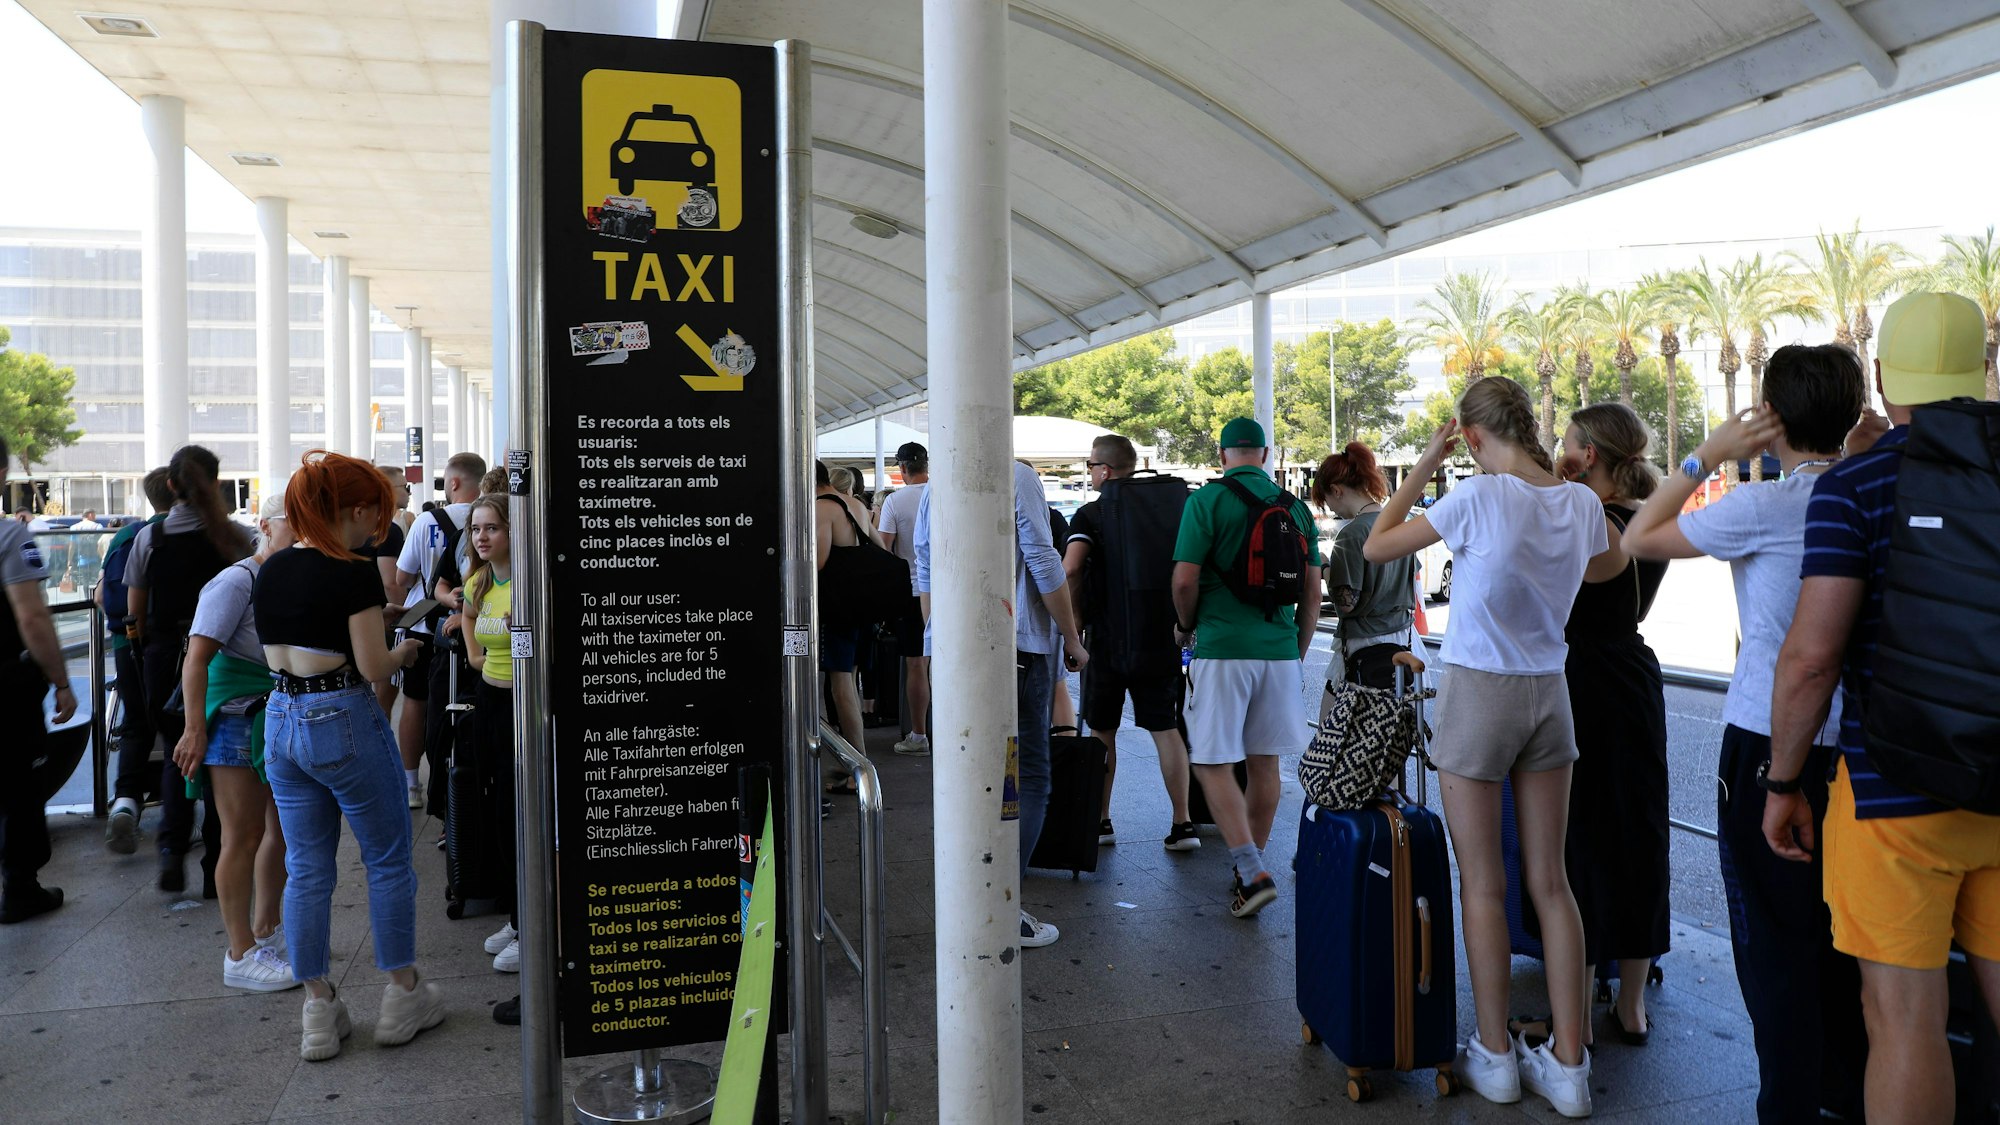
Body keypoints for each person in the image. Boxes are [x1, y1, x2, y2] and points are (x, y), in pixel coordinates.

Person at [1766, 292, 2000, 1124]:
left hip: (1896, 795)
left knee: (1903, 1021)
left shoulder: (1857, 486)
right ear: (1982, 365)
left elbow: (1811, 657)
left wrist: (1782, 780)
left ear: (1881, 376)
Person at [1623, 344, 1868, 1123]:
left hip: (1768, 739)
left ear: (1773, 418)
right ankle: (1849, 1096)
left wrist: (1707, 454)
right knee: (1849, 940)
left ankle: (1789, 1107)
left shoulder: (1764, 506)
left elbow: (1639, 537)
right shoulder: (1867, 491)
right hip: (1858, 743)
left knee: (1774, 946)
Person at [1363, 379, 1604, 1117]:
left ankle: (1495, 1053)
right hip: (1549, 694)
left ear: (1468, 436)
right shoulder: (1582, 503)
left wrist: (1421, 466)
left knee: (1484, 884)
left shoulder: (1475, 498)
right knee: (1550, 880)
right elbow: (1608, 567)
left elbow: (1377, 545)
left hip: (1479, 691)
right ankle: (1569, 1064)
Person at [255, 450, 441, 1061]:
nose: (378, 529)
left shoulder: (274, 566)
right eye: (375, 517)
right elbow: (372, 665)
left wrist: (364, 622)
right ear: (356, 509)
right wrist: (406, 650)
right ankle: (402, 995)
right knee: (387, 859)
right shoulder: (354, 568)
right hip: (340, 716)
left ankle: (318, 1008)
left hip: (279, 719)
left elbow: (303, 632)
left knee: (307, 867)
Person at [912, 459, 1089, 947]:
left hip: (954, 648)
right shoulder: (1016, 475)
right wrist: (1072, 639)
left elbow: (923, 560)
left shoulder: (939, 482)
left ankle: (970, 899)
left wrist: (935, 635)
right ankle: (1001, 906)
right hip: (1017, 650)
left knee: (971, 777)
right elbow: (1043, 557)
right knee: (1027, 775)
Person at [1553, 402, 1671, 1046]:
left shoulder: (1585, 517)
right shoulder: (1648, 515)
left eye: (1567, 442)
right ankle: (1632, 1004)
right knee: (1640, 831)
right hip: (1634, 673)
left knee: (1581, 837)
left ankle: (1576, 1013)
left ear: (1589, 454)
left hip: (1580, 677)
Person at [1169, 418, 1322, 918]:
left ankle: (1252, 868)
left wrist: (1186, 624)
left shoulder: (1205, 502)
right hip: (1278, 652)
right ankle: (1247, 872)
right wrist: (1294, 651)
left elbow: (1184, 580)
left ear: (1222, 455)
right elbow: (1311, 592)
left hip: (1222, 648)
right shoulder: (1296, 508)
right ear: (1265, 454)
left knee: (1211, 762)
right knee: (1265, 763)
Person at [171, 493, 295, 991]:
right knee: (240, 834)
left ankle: (266, 931)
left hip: (272, 711)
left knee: (281, 829)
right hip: (235, 716)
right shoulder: (236, 579)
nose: (305, 532)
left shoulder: (282, 577)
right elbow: (196, 658)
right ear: (265, 525)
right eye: (296, 522)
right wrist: (194, 728)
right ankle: (240, 951)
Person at [1063, 433, 1199, 850]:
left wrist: (1074, 628)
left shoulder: (1090, 515)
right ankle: (1183, 824)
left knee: (1103, 729)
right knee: (1166, 728)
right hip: (1161, 637)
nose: (1089, 473)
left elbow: (1070, 570)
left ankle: (1101, 821)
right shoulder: (1172, 511)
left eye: (1090, 466)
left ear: (1104, 470)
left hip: (1106, 639)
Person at [127, 445, 251, 894]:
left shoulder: (150, 538)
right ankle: (217, 867)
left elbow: (133, 611)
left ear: (171, 485)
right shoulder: (235, 538)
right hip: (223, 659)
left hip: (164, 657)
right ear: (216, 483)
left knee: (177, 751)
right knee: (220, 757)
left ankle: (170, 851)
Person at [0, 434, 75, 923]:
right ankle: (20, 887)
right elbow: (32, 619)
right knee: (17, 782)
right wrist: (61, 681)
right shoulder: (10, 537)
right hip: (5, 685)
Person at [455, 495, 522, 1014]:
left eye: (493, 528)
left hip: (523, 705)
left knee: (519, 810)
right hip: (491, 701)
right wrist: (481, 660)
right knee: (495, 808)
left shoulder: (525, 582)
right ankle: (516, 915)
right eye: (477, 528)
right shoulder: (479, 583)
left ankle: (529, 920)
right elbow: (472, 638)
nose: (482, 537)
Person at [390, 452, 486, 809]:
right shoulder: (495, 519)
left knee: (416, 702)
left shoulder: (427, 520)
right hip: (472, 632)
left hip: (425, 626)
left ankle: (413, 784)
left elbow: (401, 578)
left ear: (455, 482)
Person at [101, 467, 173, 852]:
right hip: (173, 645)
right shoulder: (185, 534)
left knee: (136, 724)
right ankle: (177, 820)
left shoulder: (125, 536)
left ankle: (125, 801)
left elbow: (103, 597)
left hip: (126, 645)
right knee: (183, 725)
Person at [1311, 440, 1416, 694]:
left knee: (1334, 728)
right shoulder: (1398, 523)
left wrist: (1325, 567)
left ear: (1336, 491)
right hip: (1402, 640)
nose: (1331, 510)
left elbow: (1346, 603)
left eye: (1326, 502)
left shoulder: (1352, 534)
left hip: (1363, 647)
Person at [816, 459, 879, 790]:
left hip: (837, 609)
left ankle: (857, 765)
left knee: (841, 689)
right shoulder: (856, 504)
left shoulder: (822, 509)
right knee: (850, 685)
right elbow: (880, 548)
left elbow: (820, 561)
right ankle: (854, 763)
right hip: (862, 609)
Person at [875, 442, 931, 756]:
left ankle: (919, 735)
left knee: (916, 665)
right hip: (947, 593)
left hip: (911, 593)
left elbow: (885, 548)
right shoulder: (943, 493)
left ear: (902, 469)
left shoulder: (895, 501)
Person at [370, 467, 408, 719]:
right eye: (404, 487)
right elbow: (390, 581)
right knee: (386, 691)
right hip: (385, 617)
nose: (407, 492)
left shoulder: (376, 526)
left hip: (370, 614)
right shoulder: (388, 528)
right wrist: (405, 617)